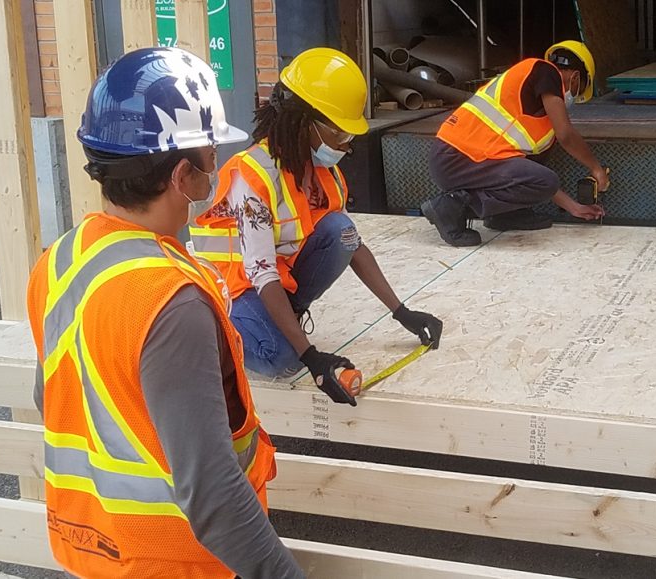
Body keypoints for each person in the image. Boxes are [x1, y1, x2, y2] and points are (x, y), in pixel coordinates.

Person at [27, 47, 303, 578]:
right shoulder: (171, 299)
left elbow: (52, 399)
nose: (214, 171)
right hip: (174, 562)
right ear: (184, 176)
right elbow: (212, 492)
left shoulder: (59, 260)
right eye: (208, 158)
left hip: (91, 547)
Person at [189, 48, 443, 406]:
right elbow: (260, 274)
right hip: (231, 288)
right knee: (281, 359)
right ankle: (221, 329)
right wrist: (312, 358)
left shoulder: (322, 170)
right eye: (339, 132)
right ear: (303, 121)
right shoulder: (254, 177)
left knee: (339, 229)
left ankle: (280, 319)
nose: (345, 144)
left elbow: (351, 243)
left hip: (276, 280)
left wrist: (401, 312)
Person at [423, 40, 610, 247]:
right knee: (547, 180)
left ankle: (505, 215)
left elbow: (532, 178)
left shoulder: (542, 128)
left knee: (543, 179)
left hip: (468, 162)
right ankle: (448, 208)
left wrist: (574, 207)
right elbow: (566, 135)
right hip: (455, 157)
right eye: (577, 92)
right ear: (575, 78)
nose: (571, 99)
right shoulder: (545, 71)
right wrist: (596, 168)